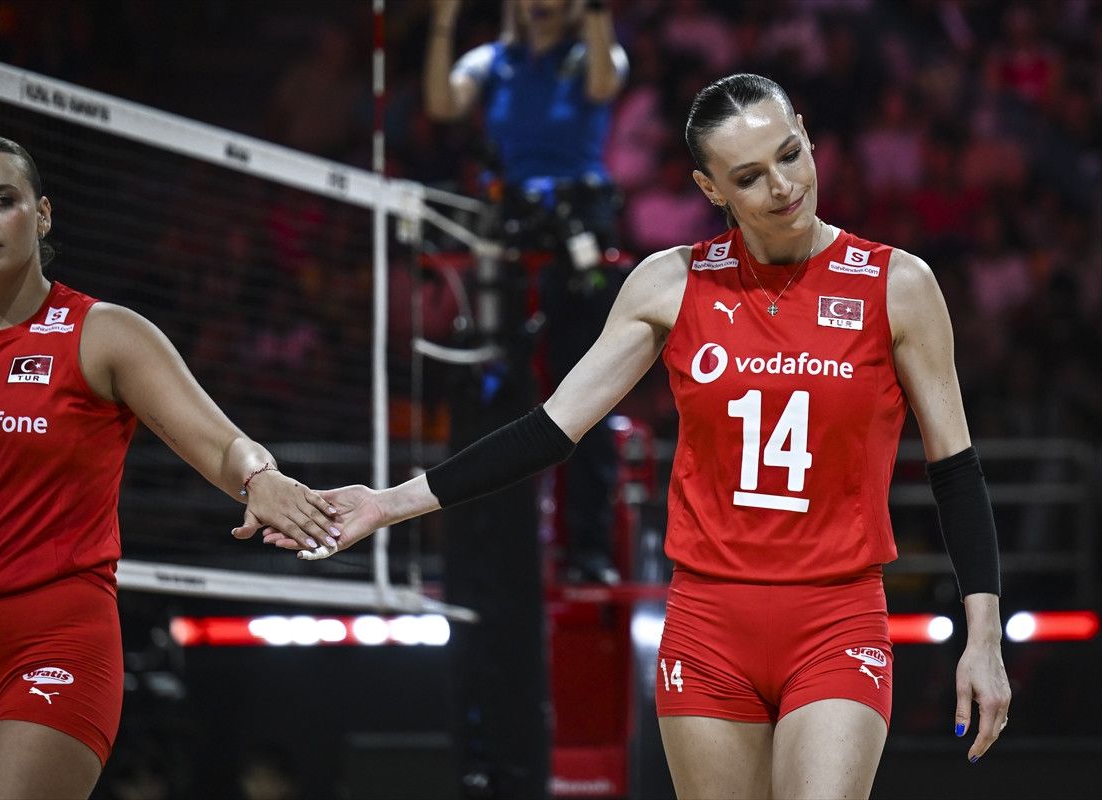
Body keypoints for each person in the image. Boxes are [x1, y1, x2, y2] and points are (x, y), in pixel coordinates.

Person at [255, 74, 1013, 799]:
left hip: (835, 616)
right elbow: (551, 429)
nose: (783, 186)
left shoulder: (897, 284)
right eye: (749, 177)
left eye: (790, 154)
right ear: (710, 189)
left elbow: (955, 470)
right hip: (708, 623)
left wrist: (983, 637)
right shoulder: (671, 282)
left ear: (808, 137)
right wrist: (388, 503)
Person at [0, 135, 339, 799]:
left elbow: (222, 443)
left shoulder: (103, 333)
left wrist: (261, 478)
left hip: (53, 645)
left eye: (2, 200)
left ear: (42, 215)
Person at [425, 0, 629, 584]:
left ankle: (586, 550)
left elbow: (605, 82)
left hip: (578, 241)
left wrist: (596, 14)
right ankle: (498, 550)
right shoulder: (491, 61)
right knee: (501, 397)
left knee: (585, 396)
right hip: (510, 242)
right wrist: (443, 19)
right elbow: (443, 104)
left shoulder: (592, 55)